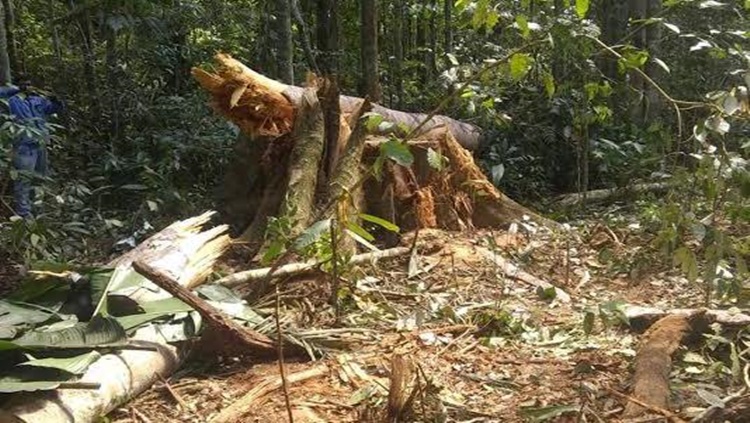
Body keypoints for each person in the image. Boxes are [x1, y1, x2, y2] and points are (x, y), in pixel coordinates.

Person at [0, 77, 63, 219]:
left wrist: (55, 99)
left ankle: (37, 209)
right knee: (23, 180)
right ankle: (24, 213)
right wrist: (16, 88)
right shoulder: (12, 100)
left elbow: (54, 109)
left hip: (41, 144)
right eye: (24, 84)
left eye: (29, 84)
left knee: (40, 178)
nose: (27, 86)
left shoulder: (38, 100)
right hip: (23, 146)